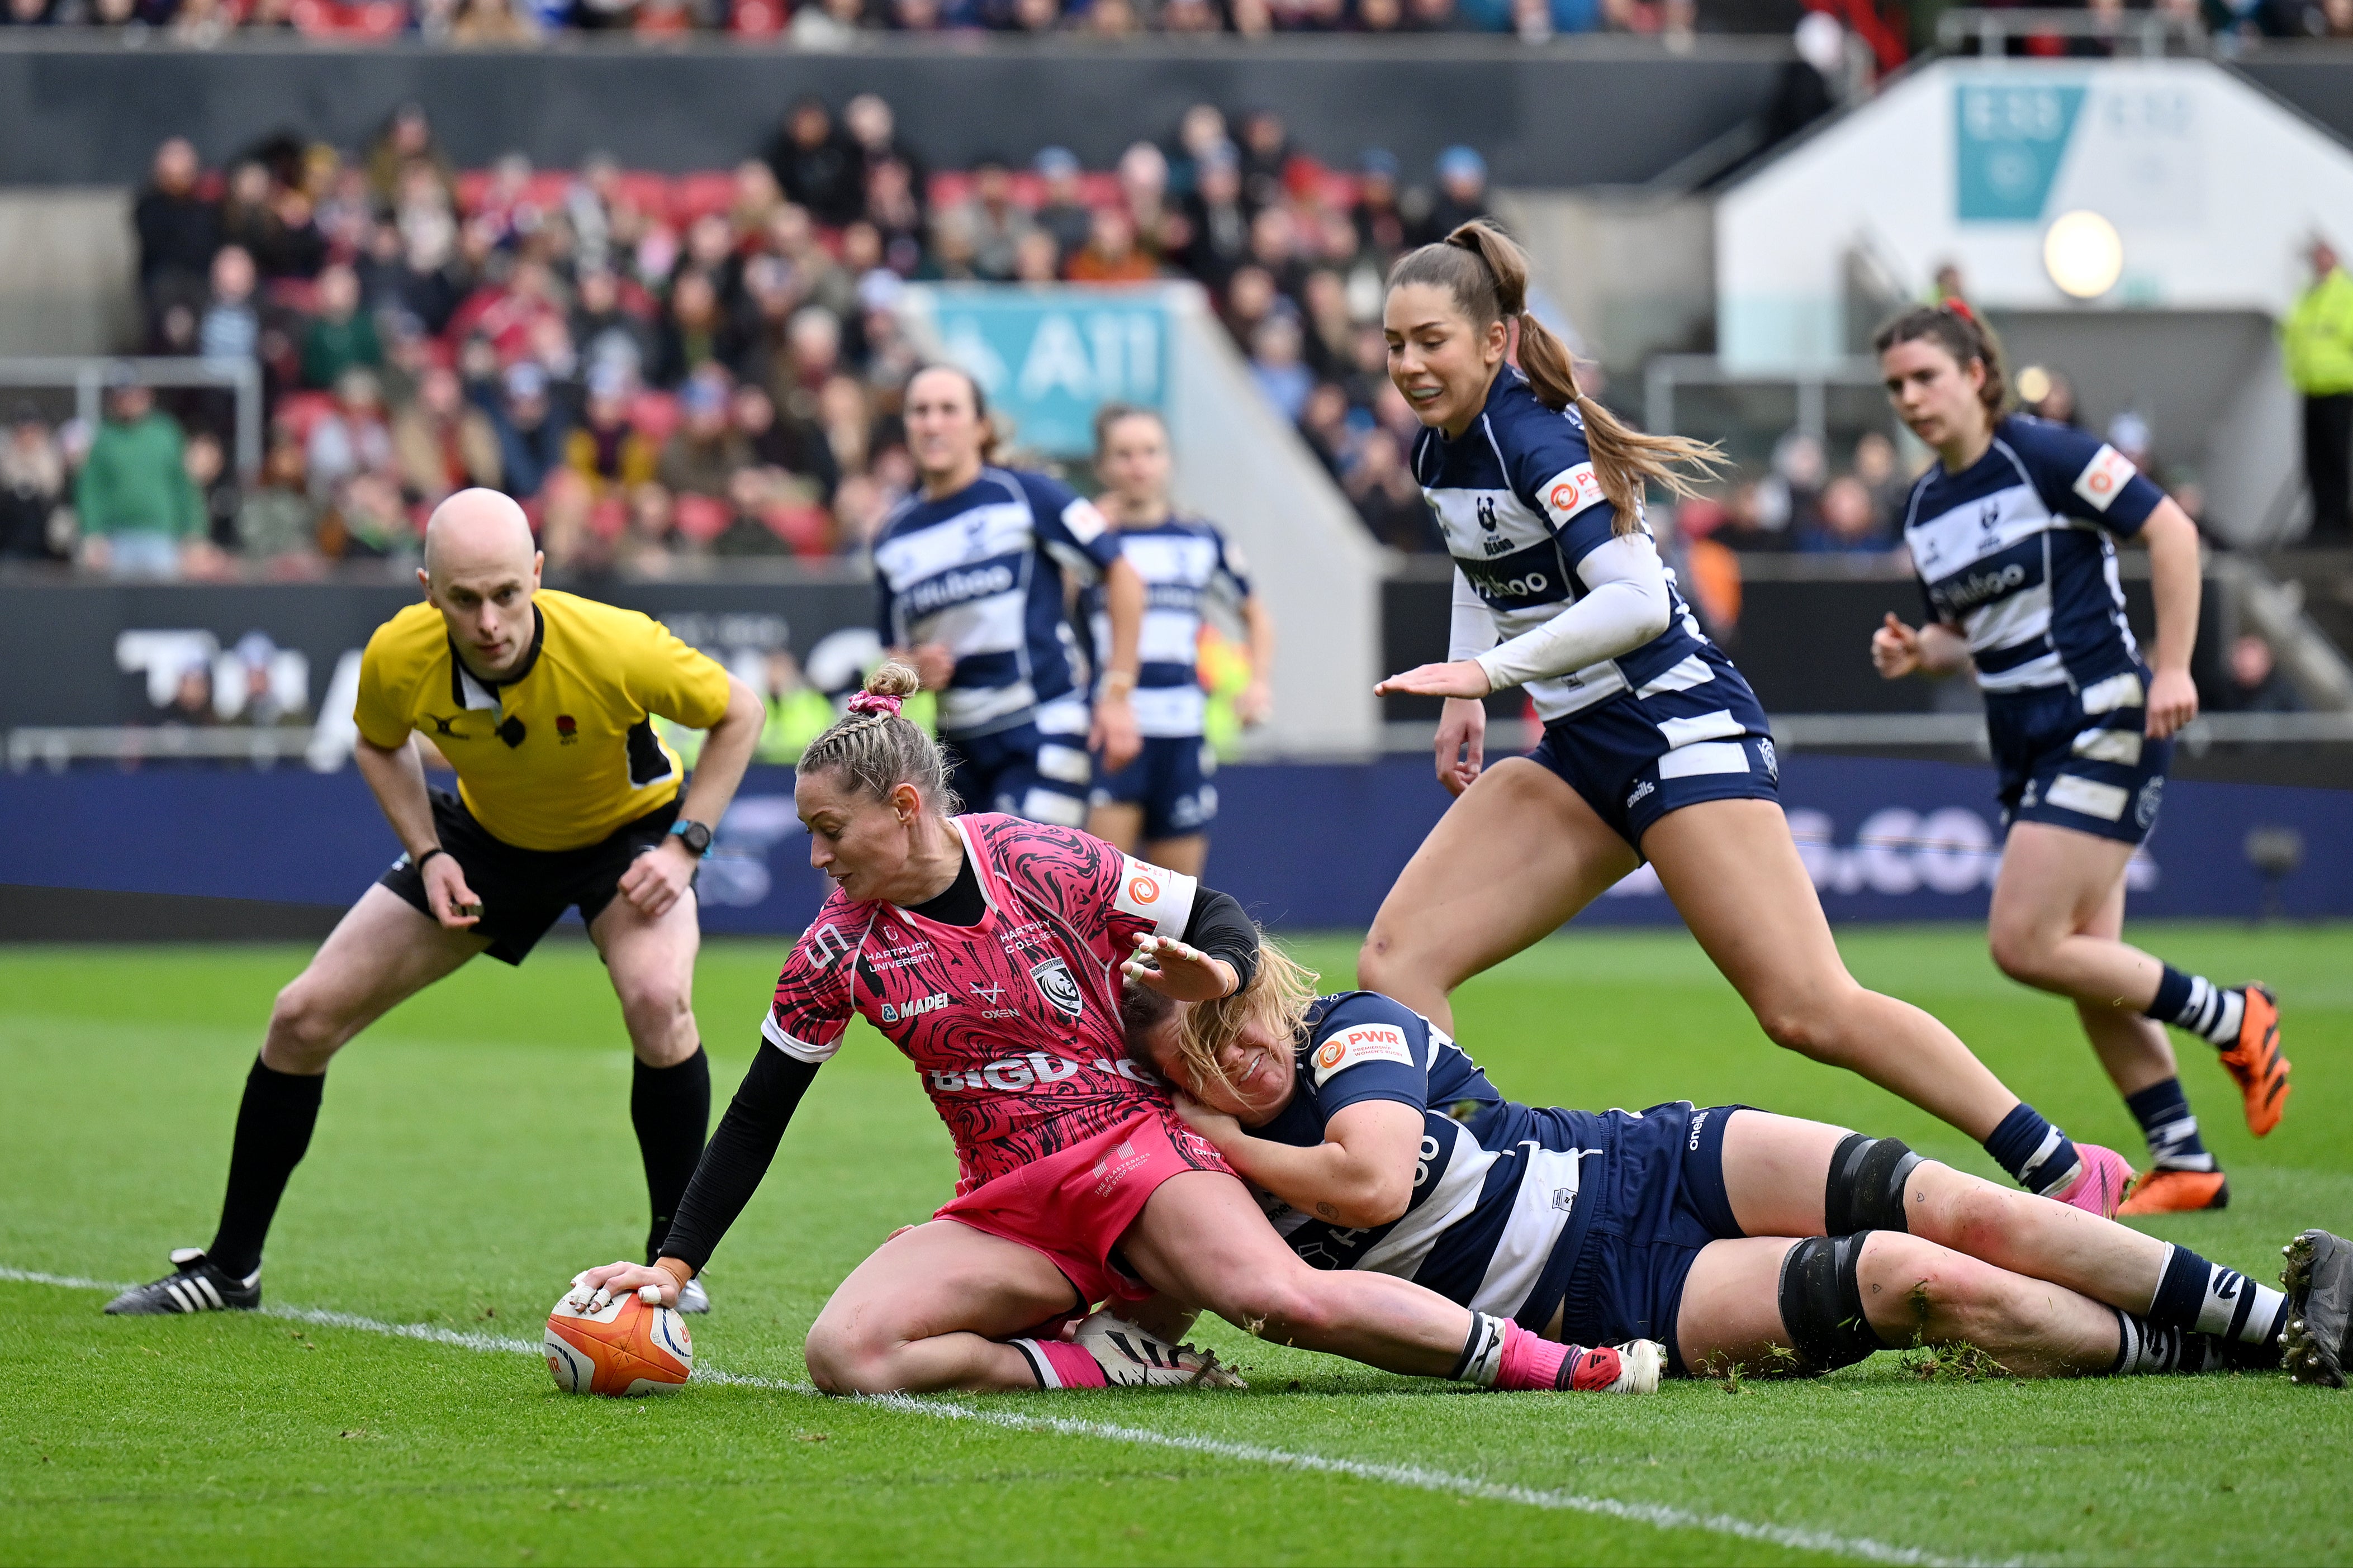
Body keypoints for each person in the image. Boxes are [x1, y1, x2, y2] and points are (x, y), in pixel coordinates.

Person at [568, 664, 1662, 1399]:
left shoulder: (1039, 859)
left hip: (1137, 1153)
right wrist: (674, 1260)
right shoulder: (833, 951)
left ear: (904, 807)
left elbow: (1216, 915)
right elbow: (761, 1106)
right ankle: (1113, 1359)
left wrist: (1215, 972)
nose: (816, 855)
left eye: (828, 828)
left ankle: (1567, 1364)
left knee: (1279, 1299)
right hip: (1008, 1194)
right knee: (845, 1355)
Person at [1358, 221, 2132, 1219]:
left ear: (1496, 342)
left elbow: (1633, 603)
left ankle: (2068, 1168)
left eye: (1432, 340)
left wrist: (1484, 667)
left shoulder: (1535, 434)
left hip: (1675, 723)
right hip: (1585, 743)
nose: (1410, 363)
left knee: (1807, 1008)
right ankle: (1478, 1207)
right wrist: (1472, 693)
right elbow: (1483, 558)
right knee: (1399, 960)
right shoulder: (1438, 449)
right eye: (1394, 344)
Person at [104, 490, 767, 1318]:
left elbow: (741, 711)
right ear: (428, 588)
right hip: (486, 844)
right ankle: (231, 1269)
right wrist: (431, 853)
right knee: (301, 1017)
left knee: (659, 1001)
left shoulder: (615, 643)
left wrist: (685, 844)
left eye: (505, 594)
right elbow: (378, 744)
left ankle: (673, 1265)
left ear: (537, 574)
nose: (489, 621)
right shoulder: (398, 654)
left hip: (627, 836)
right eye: (463, 598)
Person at [1122, 959, 2353, 1386]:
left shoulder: (1348, 1027)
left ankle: (2280, 1314)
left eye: (1239, 1018)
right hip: (1601, 1297)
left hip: (1639, 1153)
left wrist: (1216, 1138)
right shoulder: (1196, 1182)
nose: (1246, 1054)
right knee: (1919, 1278)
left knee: (1963, 1201)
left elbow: (1373, 1179)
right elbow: (1163, 1281)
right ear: (1167, 1077)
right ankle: (2237, 1345)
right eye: (1205, 1056)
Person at [1869, 303, 2290, 1215]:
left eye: (1924, 377)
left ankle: (2234, 1015)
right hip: (2026, 741)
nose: (1909, 398)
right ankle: (2184, 1159)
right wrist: (1923, 651)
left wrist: (2175, 665)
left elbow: (2173, 531)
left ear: (1977, 373)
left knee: (2025, 943)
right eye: (1895, 385)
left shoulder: (2047, 453)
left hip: (2101, 716)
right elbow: (1972, 634)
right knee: (2088, 961)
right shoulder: (1926, 506)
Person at [873, 364, 1145, 828]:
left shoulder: (1025, 494)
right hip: (955, 750)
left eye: (948, 410)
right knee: (973, 895)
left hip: (1043, 726)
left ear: (980, 427)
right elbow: (894, 657)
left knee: (1020, 878)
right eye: (920, 411)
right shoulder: (892, 538)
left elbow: (1122, 574)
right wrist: (915, 671)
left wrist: (1117, 693)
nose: (933, 423)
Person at [1081, 405, 1273, 878]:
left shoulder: (1200, 537)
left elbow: (1256, 615)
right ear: (1103, 467)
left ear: (1168, 460)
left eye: (1150, 452)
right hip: (1113, 729)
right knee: (1102, 894)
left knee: (1179, 901)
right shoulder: (1089, 539)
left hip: (1183, 732)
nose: (1138, 465)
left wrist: (1258, 682)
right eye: (1123, 455)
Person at [75, 378, 206, 579]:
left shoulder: (166, 433)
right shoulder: (105, 437)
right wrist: (92, 533)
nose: (129, 402)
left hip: (162, 537)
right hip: (117, 539)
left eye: (135, 396)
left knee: (164, 605)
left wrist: (194, 531)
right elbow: (91, 490)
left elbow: (184, 486)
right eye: (123, 397)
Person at [2283, 237, 2353, 547]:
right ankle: (2322, 521)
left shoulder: (2344, 293)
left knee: (2338, 460)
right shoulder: (2309, 294)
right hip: (2312, 388)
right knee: (2316, 461)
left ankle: (2339, 522)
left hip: (2340, 388)